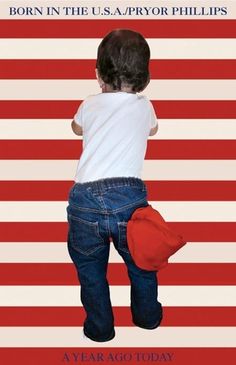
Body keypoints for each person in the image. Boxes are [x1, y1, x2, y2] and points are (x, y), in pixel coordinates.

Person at [67, 29, 162, 342]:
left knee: (91, 272)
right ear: (145, 78)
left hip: (84, 200)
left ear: (98, 75)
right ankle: (147, 318)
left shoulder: (89, 104)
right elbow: (153, 131)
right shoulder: (144, 107)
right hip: (129, 197)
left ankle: (100, 329)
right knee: (142, 263)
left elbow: (75, 128)